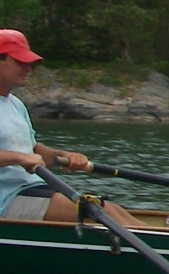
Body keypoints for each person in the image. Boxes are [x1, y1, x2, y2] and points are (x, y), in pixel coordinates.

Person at [0, 30, 137, 225]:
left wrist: (64, 156)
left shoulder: (16, 104)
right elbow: (24, 156)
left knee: (113, 209)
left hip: (31, 188)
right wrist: (19, 158)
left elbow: (33, 151)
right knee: (104, 213)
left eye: (29, 63)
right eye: (20, 61)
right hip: (6, 200)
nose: (28, 68)